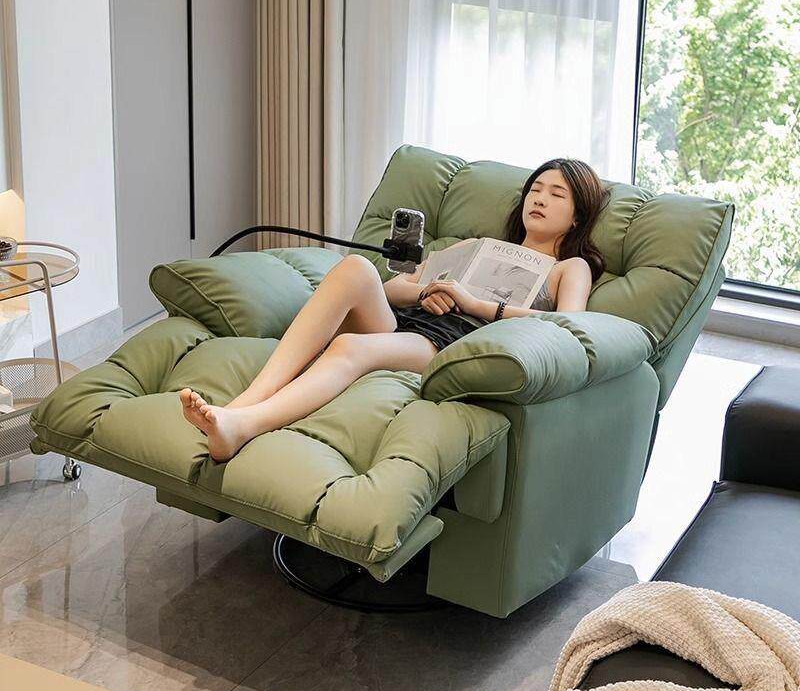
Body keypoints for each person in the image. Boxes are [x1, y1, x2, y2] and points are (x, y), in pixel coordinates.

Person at [180, 157, 609, 462]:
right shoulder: (478, 246)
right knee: (356, 268)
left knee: (349, 346)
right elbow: (393, 288)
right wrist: (425, 293)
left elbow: (566, 327)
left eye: (556, 194)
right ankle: (239, 405)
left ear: (576, 216)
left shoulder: (569, 268)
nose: (540, 199)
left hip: (453, 344)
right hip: (409, 322)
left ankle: (243, 426)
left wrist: (475, 303)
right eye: (535, 189)